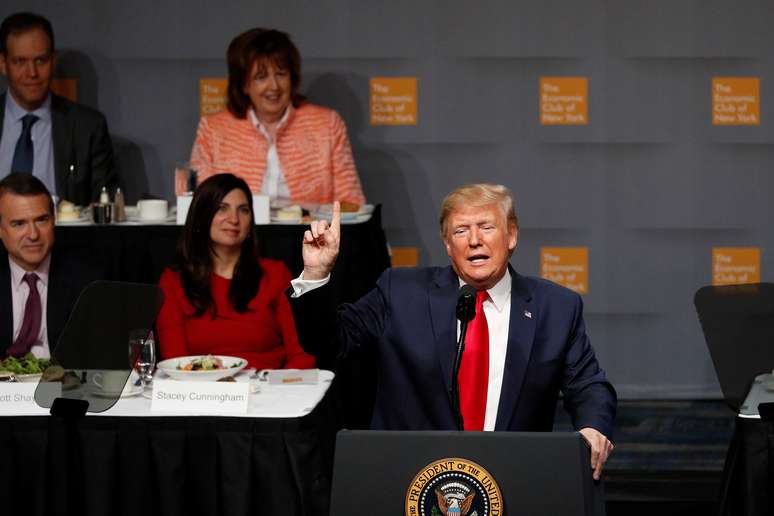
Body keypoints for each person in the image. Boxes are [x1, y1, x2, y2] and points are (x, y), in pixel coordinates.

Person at [290, 183, 617, 480]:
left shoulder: (556, 307)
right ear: (447, 244)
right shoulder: (400, 292)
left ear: (512, 235)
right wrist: (315, 274)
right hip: (410, 480)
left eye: (487, 227)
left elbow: (587, 384)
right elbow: (331, 342)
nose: (475, 240)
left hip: (511, 480)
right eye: (461, 231)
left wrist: (593, 427)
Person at [185, 28, 365, 206]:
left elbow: (351, 201)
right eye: (261, 77)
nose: (274, 87)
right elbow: (201, 206)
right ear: (244, 85)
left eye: (281, 74)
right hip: (239, 234)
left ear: (292, 78)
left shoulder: (327, 125)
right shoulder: (214, 129)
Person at [157, 173, 315, 370]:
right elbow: (176, 362)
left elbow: (302, 353)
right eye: (222, 208)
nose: (234, 219)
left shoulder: (276, 275)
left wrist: (285, 393)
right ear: (202, 216)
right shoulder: (173, 281)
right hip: (201, 394)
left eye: (243, 210)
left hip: (268, 392)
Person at [0, 12, 115, 206]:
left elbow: (103, 213)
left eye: (40, 61)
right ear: (3, 64)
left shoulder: (88, 128)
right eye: (20, 62)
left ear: (53, 60)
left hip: (64, 236)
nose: (32, 73)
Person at [0, 173, 102, 358]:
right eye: (19, 223)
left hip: (61, 384)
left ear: (54, 219)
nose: (33, 235)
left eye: (41, 220)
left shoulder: (87, 279)